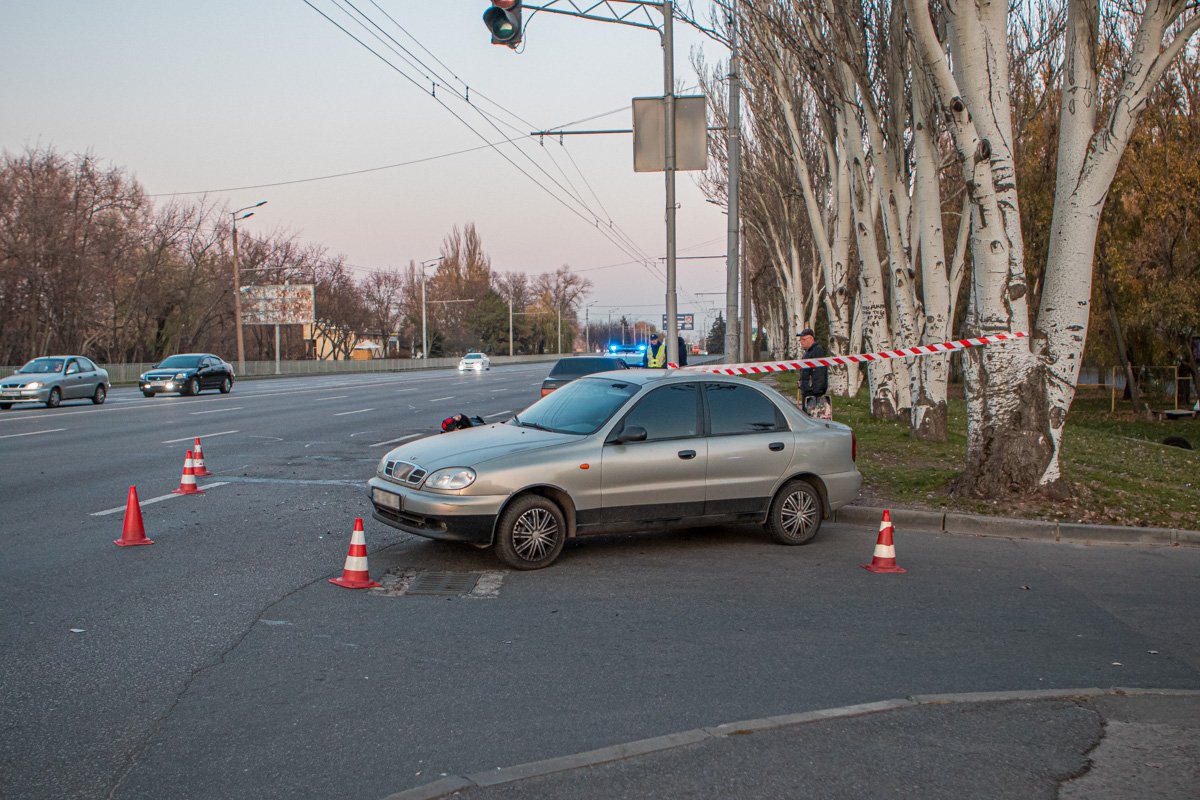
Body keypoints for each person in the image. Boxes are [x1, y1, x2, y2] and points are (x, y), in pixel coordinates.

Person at [797, 328, 828, 404]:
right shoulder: (808, 352)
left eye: (803, 339)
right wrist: (801, 381)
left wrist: (817, 392)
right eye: (800, 340)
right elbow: (807, 371)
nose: (801, 342)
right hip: (807, 390)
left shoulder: (817, 351)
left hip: (813, 392)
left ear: (811, 338)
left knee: (813, 414)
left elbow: (819, 372)